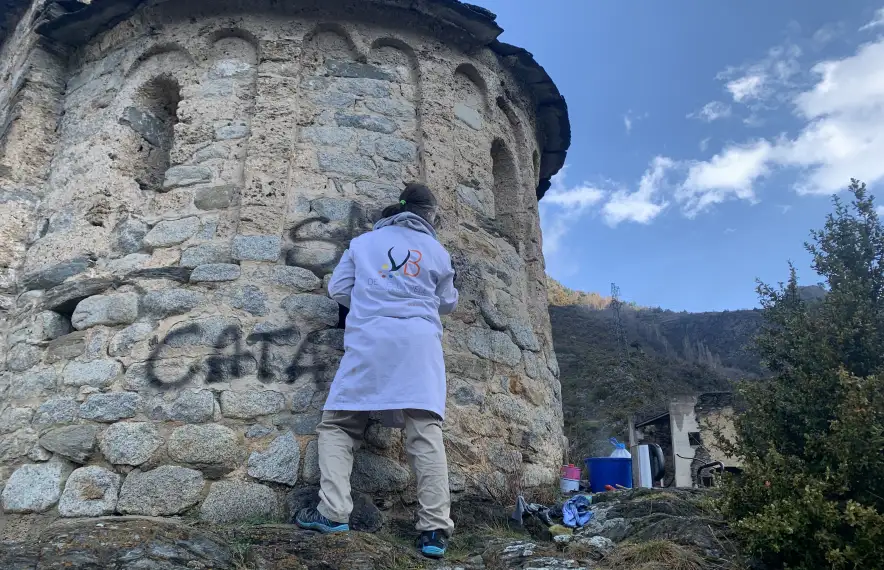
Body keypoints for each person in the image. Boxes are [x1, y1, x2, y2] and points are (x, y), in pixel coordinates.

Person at [295, 182, 459, 559]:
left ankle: (333, 511)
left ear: (391, 213)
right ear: (425, 215)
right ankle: (434, 530)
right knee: (425, 433)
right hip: (419, 344)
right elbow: (448, 303)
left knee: (339, 423)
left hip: (370, 338)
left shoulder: (364, 244)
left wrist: (372, 303)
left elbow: (339, 289)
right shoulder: (437, 251)